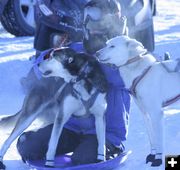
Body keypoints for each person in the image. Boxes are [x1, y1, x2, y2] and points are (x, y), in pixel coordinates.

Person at [16, 0, 131, 165]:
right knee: (28, 145)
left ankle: (112, 148)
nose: (91, 22)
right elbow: (42, 67)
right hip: (71, 127)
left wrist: (87, 66)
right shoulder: (77, 50)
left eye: (96, 16)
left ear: (113, 21)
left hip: (106, 132)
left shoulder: (125, 58)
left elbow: (122, 80)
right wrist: (49, 57)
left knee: (83, 159)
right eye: (88, 15)